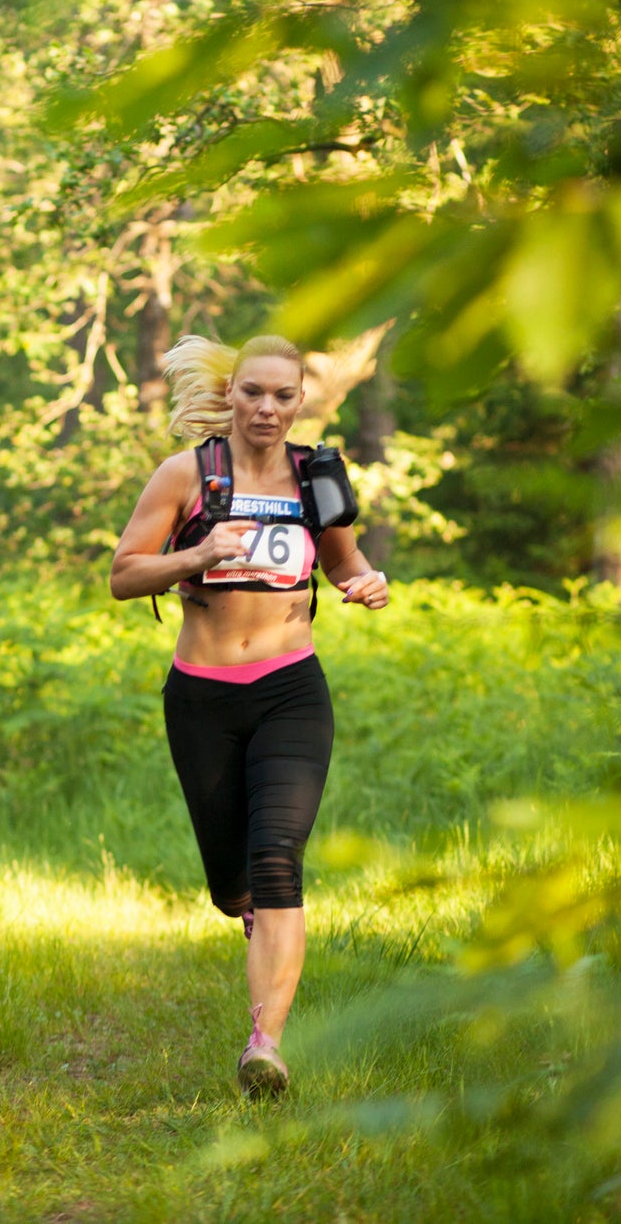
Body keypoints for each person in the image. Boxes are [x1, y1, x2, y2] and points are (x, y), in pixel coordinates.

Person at [108, 333, 389, 1097]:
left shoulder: (317, 476)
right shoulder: (186, 475)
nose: (267, 408)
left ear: (300, 401)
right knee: (232, 884)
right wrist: (193, 558)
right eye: (253, 393)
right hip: (201, 698)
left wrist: (366, 581)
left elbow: (341, 561)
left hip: (291, 690)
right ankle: (242, 910)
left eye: (283, 396)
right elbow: (124, 575)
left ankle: (264, 1043)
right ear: (230, 394)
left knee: (277, 861)